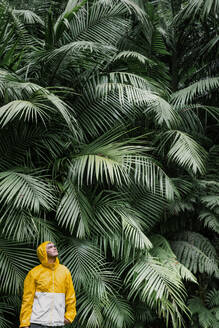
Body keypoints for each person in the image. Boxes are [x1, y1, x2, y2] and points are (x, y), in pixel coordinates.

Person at [20, 241, 76, 328]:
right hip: (37, 322)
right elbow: (27, 300)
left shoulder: (64, 271)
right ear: (43, 252)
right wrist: (24, 323)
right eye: (50, 247)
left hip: (57, 323)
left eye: (54, 246)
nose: (54, 247)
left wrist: (69, 316)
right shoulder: (34, 273)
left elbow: (70, 296)